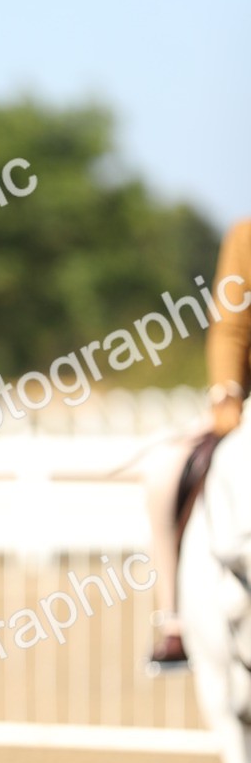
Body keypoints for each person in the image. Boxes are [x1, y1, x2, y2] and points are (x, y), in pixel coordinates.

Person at [147, 219, 251, 666]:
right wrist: (226, 395)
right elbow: (231, 326)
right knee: (163, 474)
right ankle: (174, 621)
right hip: (247, 405)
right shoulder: (245, 234)